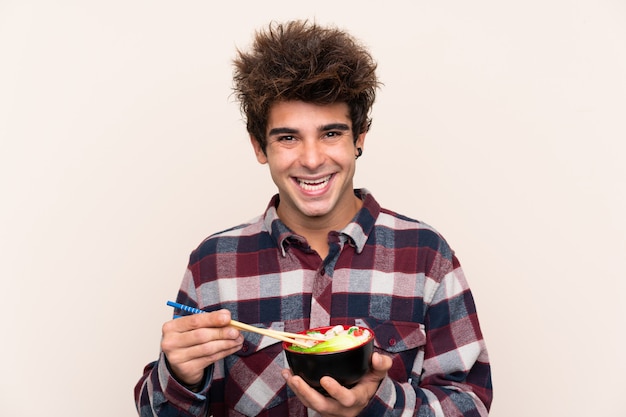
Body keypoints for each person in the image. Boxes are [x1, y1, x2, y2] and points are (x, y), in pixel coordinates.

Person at [134, 19, 493, 417]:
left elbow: (470, 404)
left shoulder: (426, 255)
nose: (311, 159)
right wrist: (181, 377)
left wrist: (377, 404)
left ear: (359, 139)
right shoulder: (213, 263)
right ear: (259, 147)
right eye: (288, 137)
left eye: (331, 134)